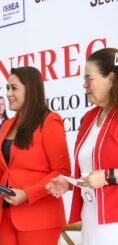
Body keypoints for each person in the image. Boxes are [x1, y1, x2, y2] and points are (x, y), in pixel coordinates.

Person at [0, 66, 71, 245]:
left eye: (14, 88)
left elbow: (61, 172)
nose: (8, 93)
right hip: (6, 215)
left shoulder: (50, 121)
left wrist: (27, 194)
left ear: (30, 89)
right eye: (7, 88)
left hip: (40, 218)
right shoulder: (6, 125)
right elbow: (2, 169)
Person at [45, 48, 118, 245]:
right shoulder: (88, 118)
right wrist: (69, 184)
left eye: (89, 79)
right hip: (91, 221)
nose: (84, 85)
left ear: (111, 79)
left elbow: (102, 175)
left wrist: (108, 176)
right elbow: (89, 172)